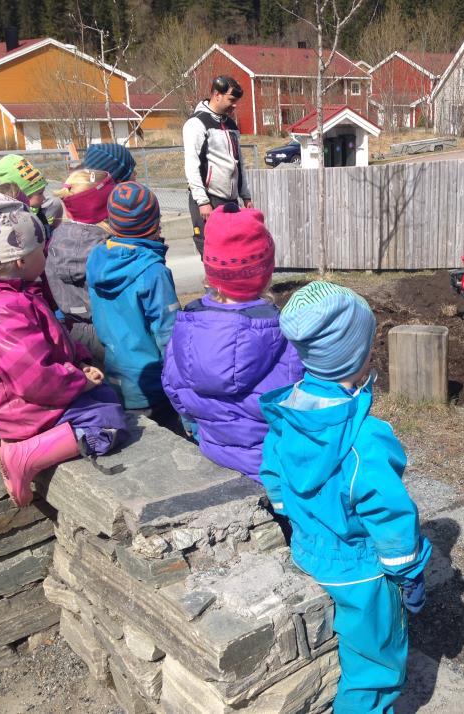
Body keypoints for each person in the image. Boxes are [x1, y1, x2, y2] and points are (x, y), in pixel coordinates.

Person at [259, 281, 431, 713]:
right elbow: (389, 516)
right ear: (357, 361)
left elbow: (275, 477)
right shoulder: (366, 441)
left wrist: (295, 516)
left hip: (307, 548)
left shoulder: (289, 411)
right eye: (369, 351)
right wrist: (409, 573)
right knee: (375, 669)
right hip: (361, 573)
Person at [0, 187, 127, 507]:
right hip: (21, 404)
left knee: (106, 395)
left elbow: (52, 340)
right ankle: (22, 455)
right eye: (43, 249)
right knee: (109, 421)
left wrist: (79, 361)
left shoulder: (14, 293)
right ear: (21, 259)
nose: (47, 254)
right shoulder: (0, 310)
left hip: (15, 400)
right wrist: (79, 381)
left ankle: (12, 438)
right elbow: (34, 378)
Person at [161, 203, 303, 479]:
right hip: (275, 466)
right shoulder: (285, 335)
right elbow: (298, 409)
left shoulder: (185, 326)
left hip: (214, 450)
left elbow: (174, 389)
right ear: (265, 272)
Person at [87, 182, 180, 423]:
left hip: (116, 375)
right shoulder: (153, 271)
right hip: (154, 384)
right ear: (154, 224)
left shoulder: (96, 258)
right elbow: (170, 336)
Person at [46, 169, 115, 363]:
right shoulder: (107, 246)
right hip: (111, 331)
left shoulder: (55, 240)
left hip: (73, 333)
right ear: (105, 204)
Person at [183, 75, 253, 258]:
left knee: (234, 250)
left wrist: (245, 195)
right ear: (216, 95)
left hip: (231, 199)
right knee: (211, 251)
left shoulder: (231, 125)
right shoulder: (196, 123)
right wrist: (202, 201)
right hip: (209, 199)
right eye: (231, 100)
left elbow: (239, 162)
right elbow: (192, 164)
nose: (234, 105)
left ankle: (230, 286)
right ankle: (213, 287)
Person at [0, 154, 64, 236]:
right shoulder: (15, 223)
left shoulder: (38, 209)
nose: (44, 197)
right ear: (23, 196)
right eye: (40, 193)